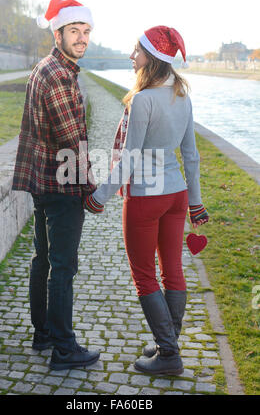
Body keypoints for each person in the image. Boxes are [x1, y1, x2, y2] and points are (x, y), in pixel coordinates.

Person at [85, 26, 208, 375]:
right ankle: (167, 339)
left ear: (152, 58)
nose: (131, 56)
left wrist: (99, 197)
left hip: (146, 197)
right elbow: (191, 155)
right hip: (177, 195)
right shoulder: (182, 95)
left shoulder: (143, 99)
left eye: (136, 51)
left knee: (144, 276)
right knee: (172, 270)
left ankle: (168, 355)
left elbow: (128, 158)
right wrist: (196, 203)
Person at [12, 0, 100, 371]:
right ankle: (64, 347)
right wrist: (91, 187)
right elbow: (71, 140)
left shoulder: (45, 67)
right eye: (74, 32)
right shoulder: (59, 76)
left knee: (43, 259)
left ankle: (44, 332)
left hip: (42, 182)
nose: (81, 39)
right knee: (63, 267)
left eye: (86, 32)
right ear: (58, 33)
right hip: (61, 186)